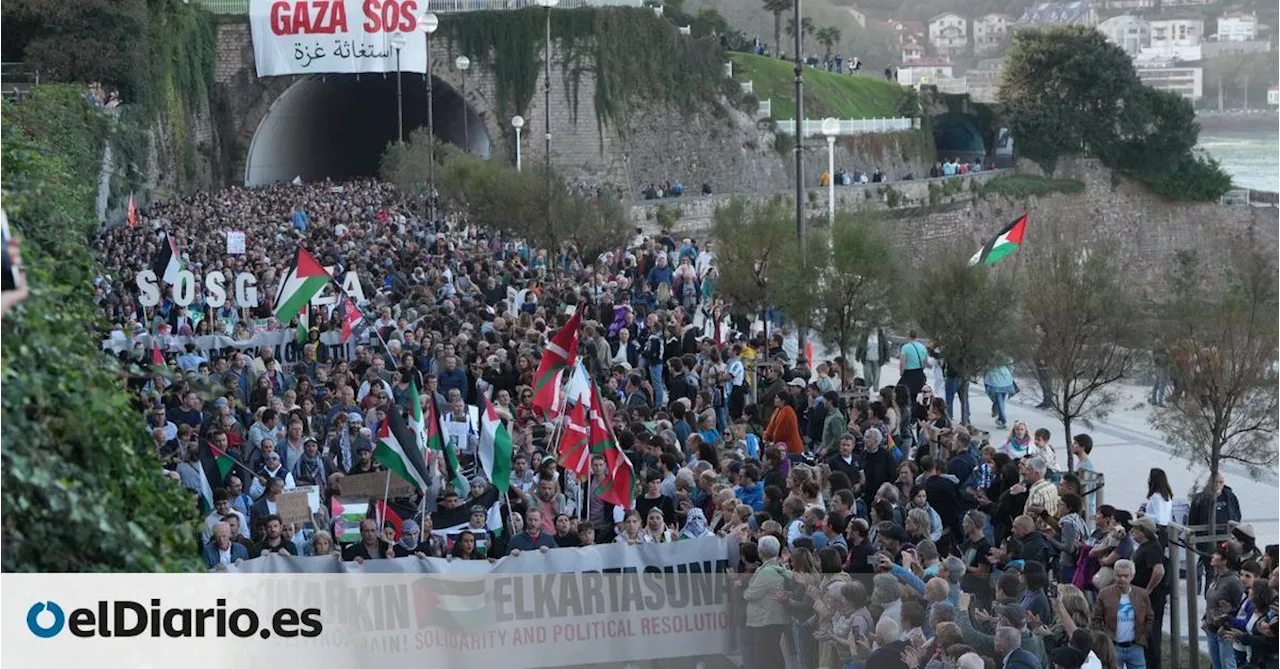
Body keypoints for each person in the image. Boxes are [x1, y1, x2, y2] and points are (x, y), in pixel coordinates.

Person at [1092, 559, 1153, 669]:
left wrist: (1143, 636)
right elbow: (1096, 619)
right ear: (1115, 576)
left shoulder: (1141, 594)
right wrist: (1104, 640)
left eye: (1126, 576)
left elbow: (1149, 617)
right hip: (1113, 646)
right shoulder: (1104, 594)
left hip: (1135, 646)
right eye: (1119, 576)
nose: (1122, 579)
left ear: (1132, 576)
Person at [745, 535, 790, 669]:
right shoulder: (778, 566)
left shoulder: (767, 572)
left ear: (761, 552)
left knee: (766, 657)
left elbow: (750, 594)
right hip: (773, 617)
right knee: (774, 654)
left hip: (766, 619)